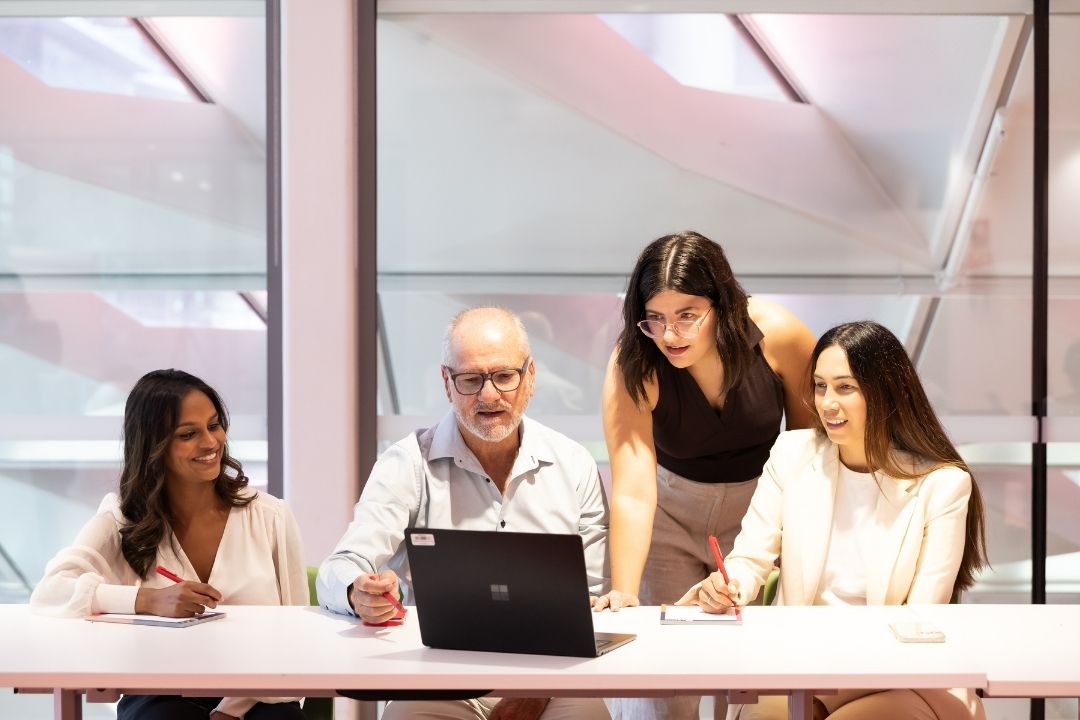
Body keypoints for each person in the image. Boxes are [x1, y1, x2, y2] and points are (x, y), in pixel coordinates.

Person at [678, 321, 989, 720]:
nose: (827, 403)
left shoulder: (942, 484)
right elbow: (750, 558)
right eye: (820, 386)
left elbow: (919, 622)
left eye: (845, 388)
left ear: (886, 392)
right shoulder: (793, 453)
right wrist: (729, 584)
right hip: (798, 665)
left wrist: (823, 692)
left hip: (898, 677)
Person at [317, 306, 610, 720]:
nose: (488, 396)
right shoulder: (407, 463)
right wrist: (357, 591)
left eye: (504, 376)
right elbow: (341, 566)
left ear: (530, 377)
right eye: (470, 379)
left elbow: (595, 601)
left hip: (553, 677)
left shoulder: (574, 464)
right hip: (437, 676)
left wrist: (536, 693)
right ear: (446, 383)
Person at [597, 231, 816, 719]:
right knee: (661, 686)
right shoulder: (634, 361)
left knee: (751, 682)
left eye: (687, 315)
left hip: (758, 516)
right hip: (667, 513)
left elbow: (810, 456)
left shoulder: (780, 336)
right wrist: (624, 592)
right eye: (655, 317)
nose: (669, 335)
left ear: (722, 303)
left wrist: (788, 543)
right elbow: (633, 487)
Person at [31, 369, 308, 720]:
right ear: (154, 445)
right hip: (160, 695)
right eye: (188, 434)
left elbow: (298, 641)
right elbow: (51, 591)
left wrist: (228, 712)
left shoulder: (271, 516)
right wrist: (148, 600)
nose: (210, 442)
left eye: (214, 425)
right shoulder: (122, 518)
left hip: (258, 697)